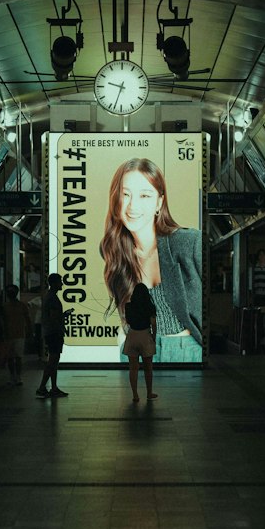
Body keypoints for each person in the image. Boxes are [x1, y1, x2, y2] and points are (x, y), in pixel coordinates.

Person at [99, 157, 203, 364]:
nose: (133, 205)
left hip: (184, 352)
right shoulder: (113, 249)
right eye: (125, 195)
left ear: (159, 202)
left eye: (145, 195)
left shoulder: (190, 242)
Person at [122, 281, 157, 403]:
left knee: (133, 368)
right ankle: (149, 393)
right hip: (145, 335)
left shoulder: (128, 306)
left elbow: (128, 321)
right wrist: (153, 337)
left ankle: (135, 395)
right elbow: (153, 324)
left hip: (132, 336)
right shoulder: (150, 306)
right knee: (148, 368)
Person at [36, 273, 67, 398]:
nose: (62, 284)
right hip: (54, 332)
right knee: (53, 360)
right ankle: (42, 386)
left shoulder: (49, 296)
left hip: (51, 331)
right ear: (54, 283)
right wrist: (63, 316)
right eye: (60, 282)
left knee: (54, 361)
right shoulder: (53, 298)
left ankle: (53, 387)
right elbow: (54, 317)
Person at [2, 285, 31, 386]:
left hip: (12, 334)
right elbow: (27, 319)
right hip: (16, 334)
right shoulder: (20, 306)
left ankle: (14, 376)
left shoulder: (6, 306)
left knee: (14, 357)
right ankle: (16, 376)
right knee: (15, 357)